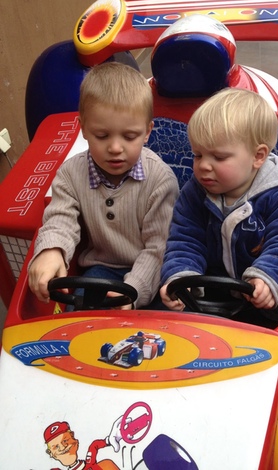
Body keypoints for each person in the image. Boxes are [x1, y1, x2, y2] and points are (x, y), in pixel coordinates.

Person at [28, 62, 179, 309]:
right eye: (102, 136)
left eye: (129, 137)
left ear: (147, 132)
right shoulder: (70, 174)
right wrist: (51, 249)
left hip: (152, 271)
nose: (116, 148)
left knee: (173, 320)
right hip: (101, 269)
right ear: (84, 129)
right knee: (80, 313)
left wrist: (132, 291)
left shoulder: (160, 179)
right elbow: (60, 219)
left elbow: (158, 247)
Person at [159, 88, 278, 324]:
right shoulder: (195, 191)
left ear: (258, 156)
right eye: (198, 155)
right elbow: (185, 239)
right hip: (209, 294)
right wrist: (182, 276)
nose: (203, 166)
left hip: (260, 300)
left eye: (218, 158)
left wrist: (268, 277)